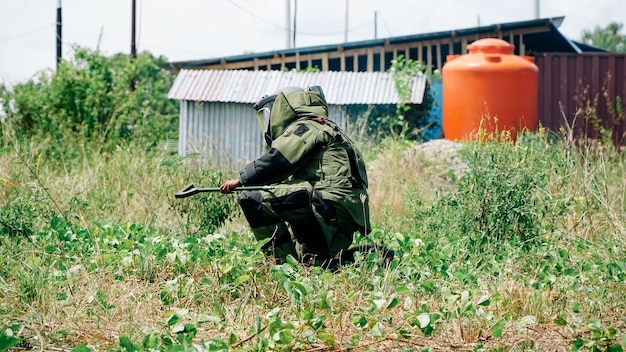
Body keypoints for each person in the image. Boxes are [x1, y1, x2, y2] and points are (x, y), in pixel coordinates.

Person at [220, 85, 391, 268]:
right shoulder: (329, 128)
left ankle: (282, 267)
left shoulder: (306, 126)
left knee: (252, 199)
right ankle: (376, 256)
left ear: (285, 109)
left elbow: (279, 160)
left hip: (327, 204)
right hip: (346, 212)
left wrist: (242, 179)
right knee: (316, 264)